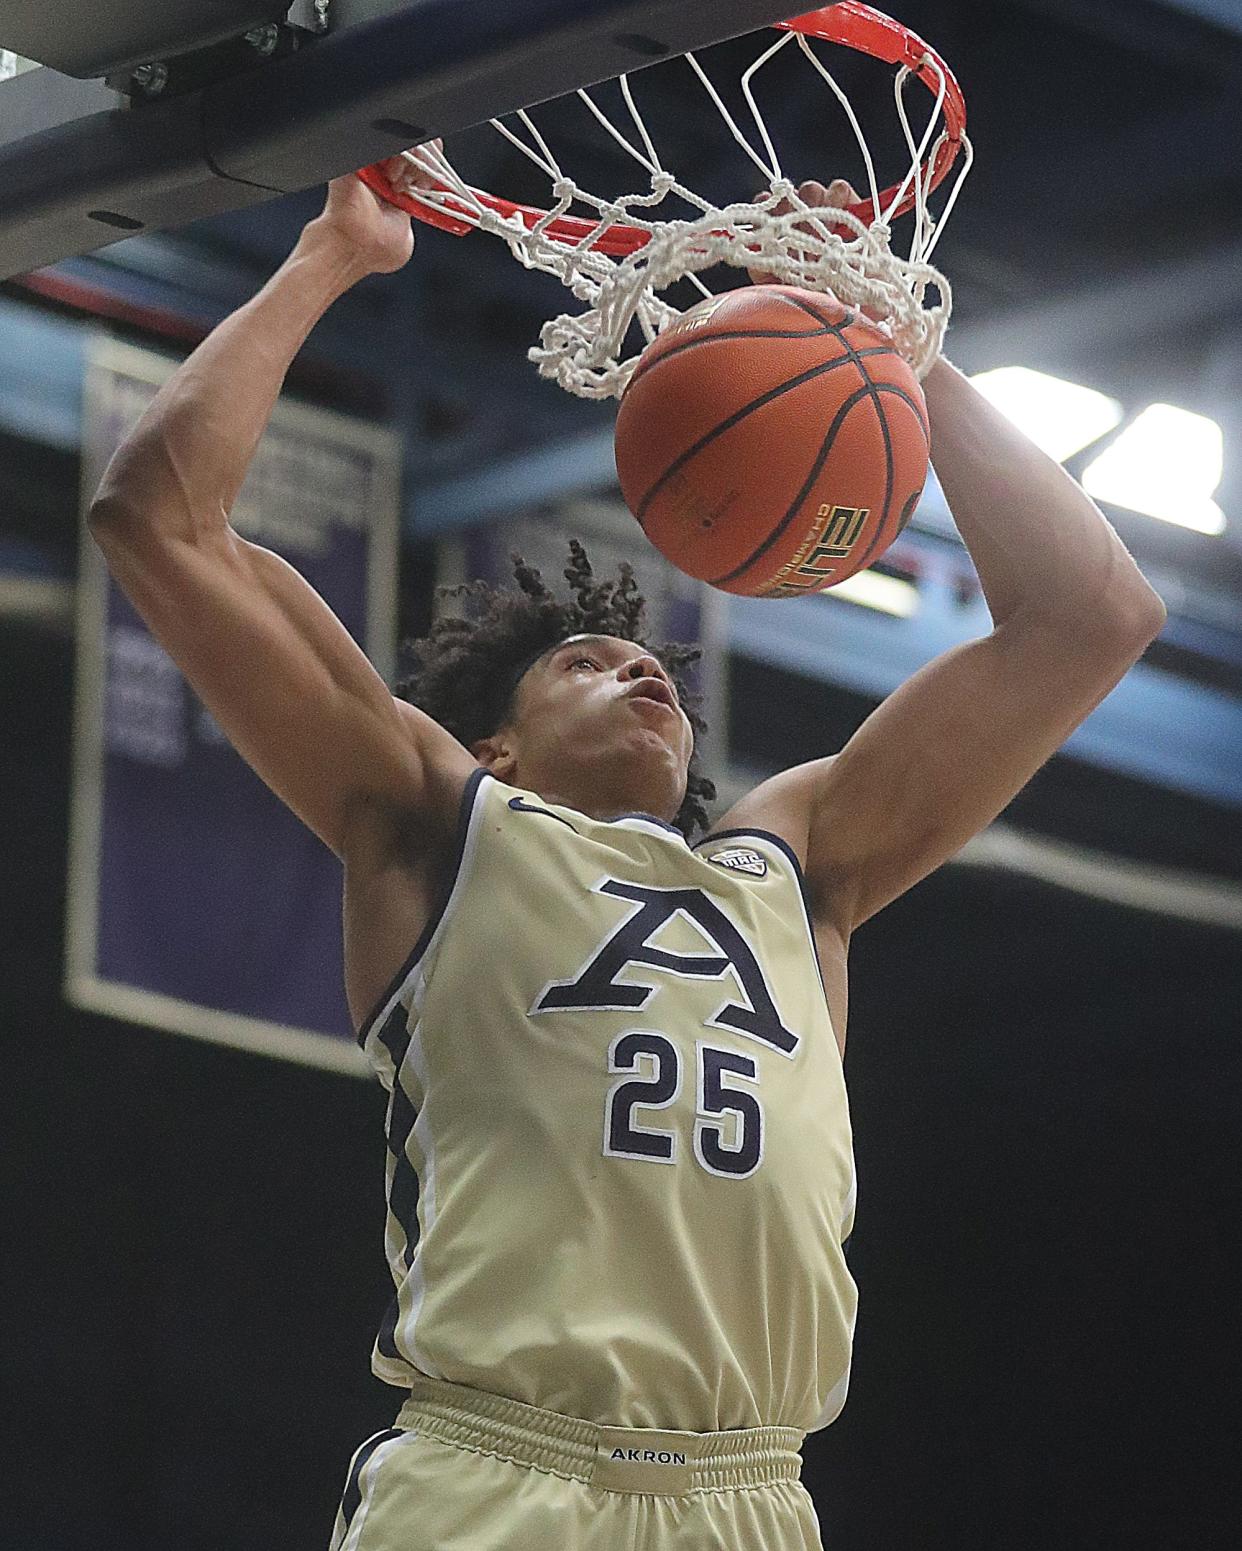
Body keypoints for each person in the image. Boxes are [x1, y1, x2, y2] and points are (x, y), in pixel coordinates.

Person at [88, 170, 1165, 1551]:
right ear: (498, 750)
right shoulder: (443, 822)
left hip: (750, 1496)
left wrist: (900, 349)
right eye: (586, 664)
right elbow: (157, 517)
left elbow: (1090, 614)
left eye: (652, 661)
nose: (638, 671)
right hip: (496, 1473)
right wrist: (330, 259)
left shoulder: (798, 867)